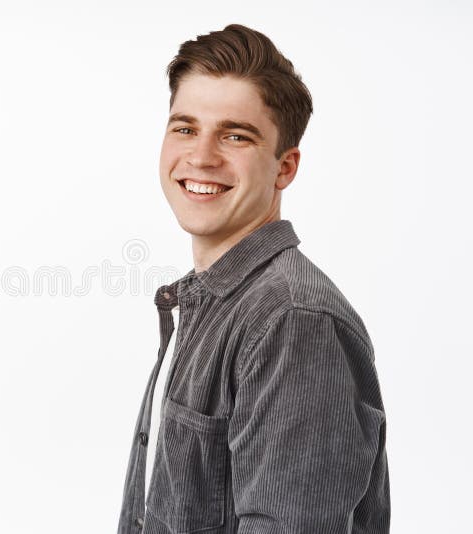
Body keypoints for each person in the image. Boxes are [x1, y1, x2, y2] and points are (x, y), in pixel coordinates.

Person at [117, 24, 390, 533]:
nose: (201, 156)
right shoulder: (208, 302)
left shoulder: (292, 321)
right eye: (184, 127)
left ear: (285, 167)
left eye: (235, 135)